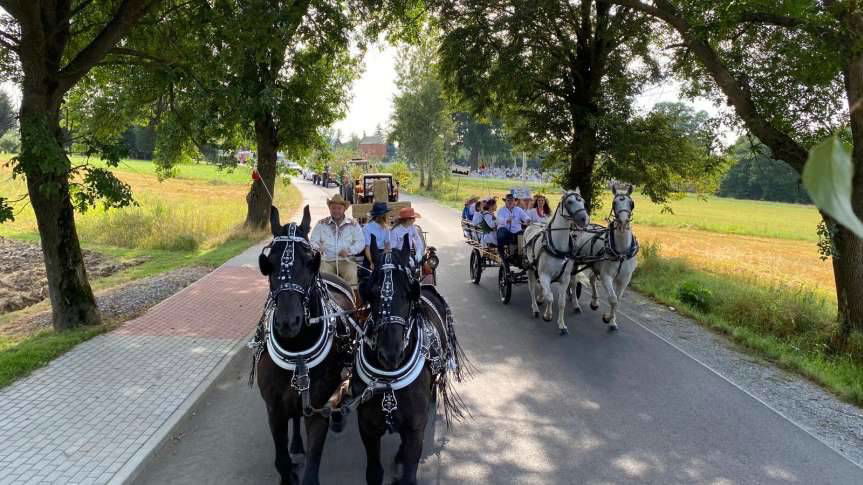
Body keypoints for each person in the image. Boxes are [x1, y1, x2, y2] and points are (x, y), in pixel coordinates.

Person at [310, 194, 364, 286]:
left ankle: (353, 299)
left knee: (351, 273)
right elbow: (312, 241)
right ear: (329, 209)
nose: (336, 211)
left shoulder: (353, 225)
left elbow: (360, 242)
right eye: (333, 208)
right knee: (323, 274)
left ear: (344, 209)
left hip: (346, 259)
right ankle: (325, 299)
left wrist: (349, 251)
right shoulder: (321, 224)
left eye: (339, 208)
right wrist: (318, 249)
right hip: (326, 260)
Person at [363, 202, 391, 271]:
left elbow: (387, 246)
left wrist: (383, 258)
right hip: (371, 255)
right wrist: (371, 262)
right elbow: (367, 247)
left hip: (382, 254)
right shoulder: (367, 227)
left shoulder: (386, 228)